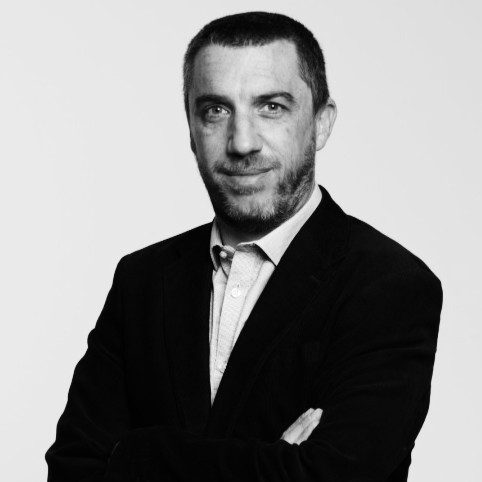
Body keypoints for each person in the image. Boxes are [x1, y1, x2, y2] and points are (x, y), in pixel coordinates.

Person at [46, 11, 443, 482]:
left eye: (271, 107)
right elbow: (72, 469)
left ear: (321, 123)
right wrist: (275, 464)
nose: (242, 142)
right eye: (216, 111)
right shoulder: (142, 280)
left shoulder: (391, 287)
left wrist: (136, 456)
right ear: (191, 130)